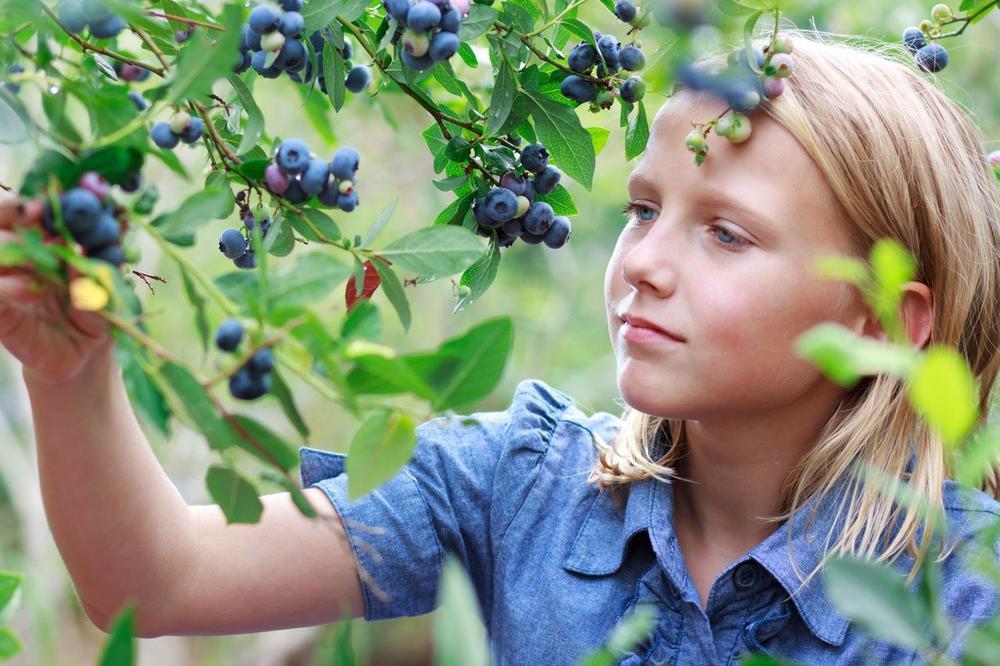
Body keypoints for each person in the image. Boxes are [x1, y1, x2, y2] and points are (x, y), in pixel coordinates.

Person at [2, 26, 999, 665]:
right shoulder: (520, 487)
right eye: (643, 209)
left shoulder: (964, 595)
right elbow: (156, 579)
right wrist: (72, 373)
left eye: (725, 234)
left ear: (879, 323)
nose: (643, 262)